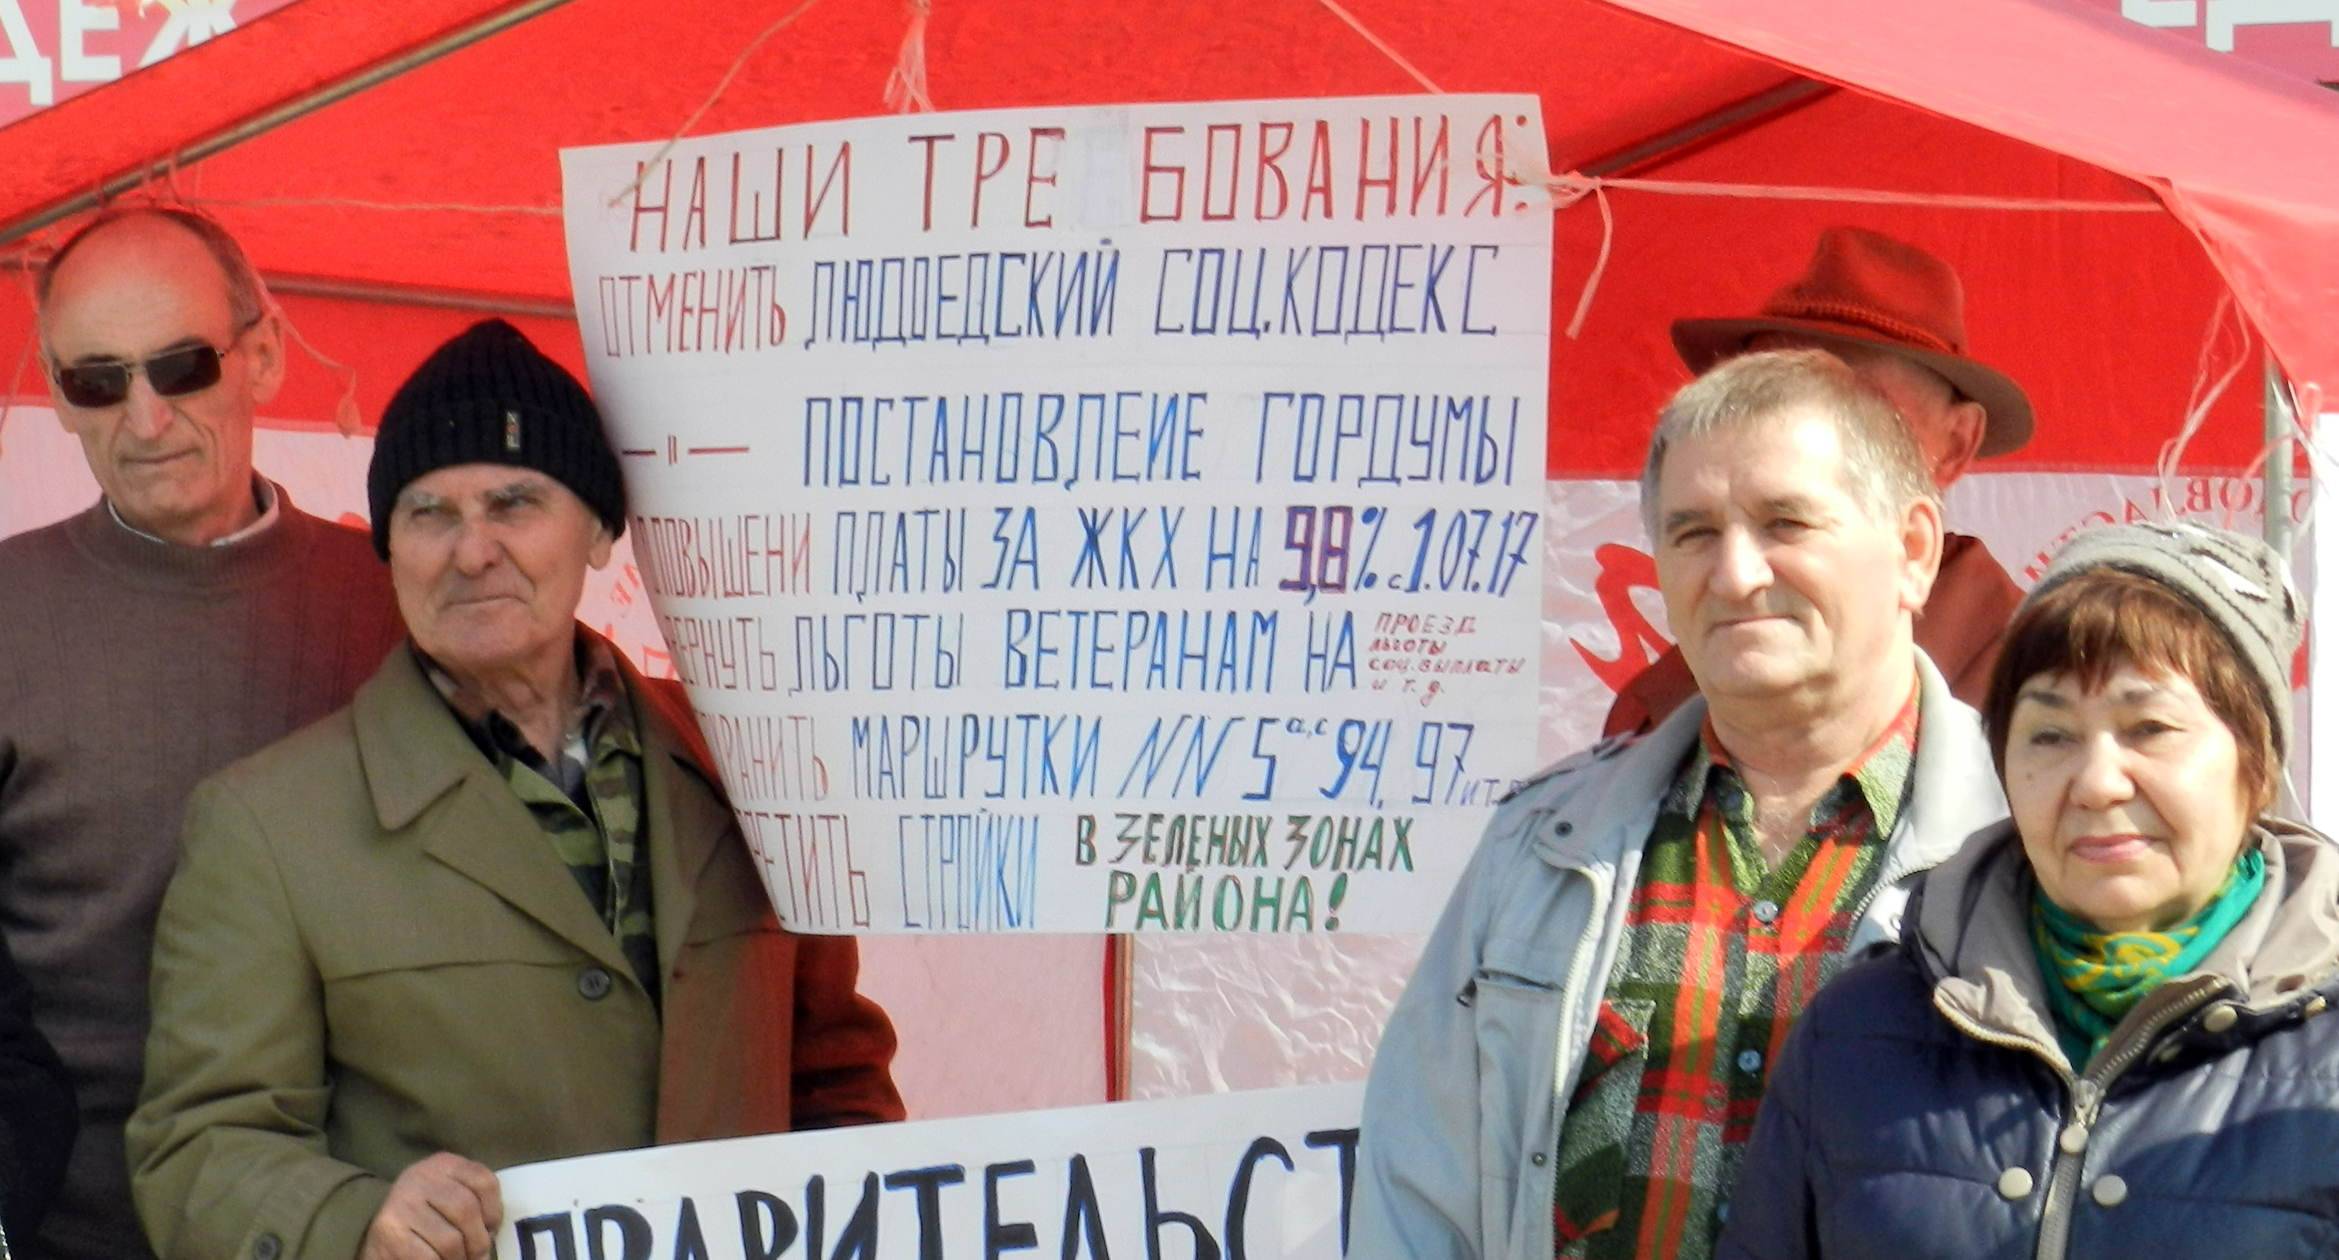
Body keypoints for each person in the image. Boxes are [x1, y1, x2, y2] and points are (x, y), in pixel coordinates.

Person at [126, 319, 904, 1260]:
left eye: (515, 503)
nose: (472, 551)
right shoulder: (266, 824)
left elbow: (835, 1080)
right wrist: (355, 1220)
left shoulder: (752, 762)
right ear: (389, 547)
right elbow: (200, 1149)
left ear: (601, 532)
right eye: (429, 514)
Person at [1351, 350, 2009, 1260]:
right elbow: (1415, 1194)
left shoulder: (2027, 849)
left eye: (1784, 523)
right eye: (1693, 532)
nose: (1733, 575)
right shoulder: (1537, 845)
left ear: (1912, 551)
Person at [1720, 521, 2339, 1259]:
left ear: (2255, 763)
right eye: (2050, 735)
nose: (2097, 783)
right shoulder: (1856, 1032)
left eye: (2149, 727)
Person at [0, 206, 405, 1260]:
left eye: (182, 367)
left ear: (263, 355)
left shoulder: (404, 606)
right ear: (58, 397)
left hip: (357, 1223)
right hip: (70, 1232)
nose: (145, 419)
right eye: (97, 381)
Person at [1605, 227, 2031, 737]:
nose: (1796, 435)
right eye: (1763, 399)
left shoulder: (2047, 682)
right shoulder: (1658, 710)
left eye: (1858, 410)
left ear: (1957, 444)